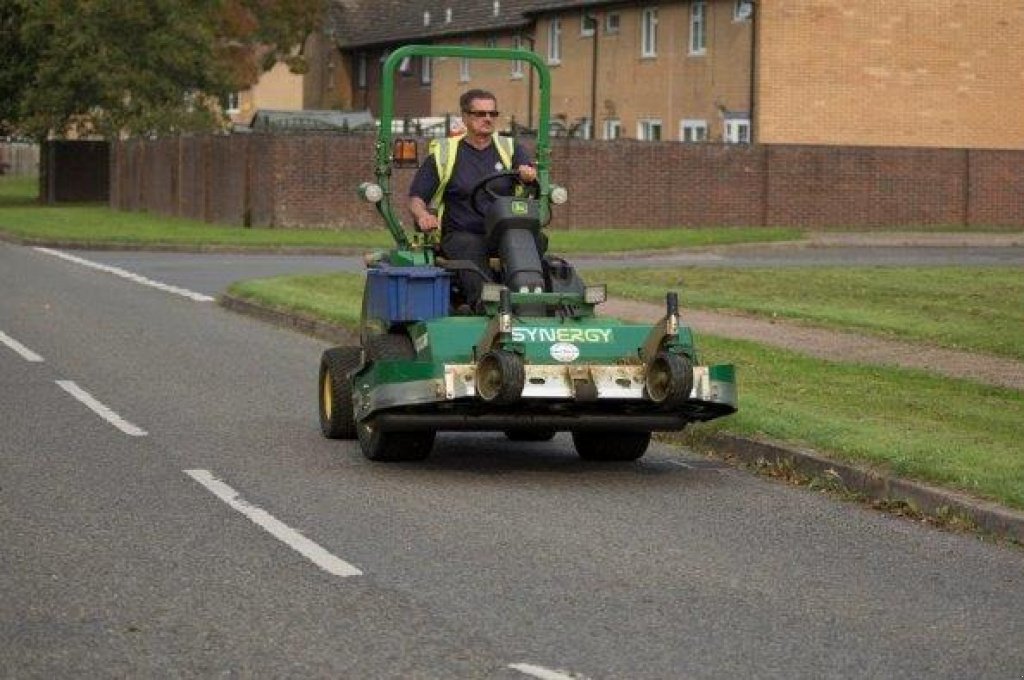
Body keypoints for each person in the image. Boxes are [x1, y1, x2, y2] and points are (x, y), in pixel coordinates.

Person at [408, 89, 538, 312]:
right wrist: (423, 216)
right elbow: (417, 198)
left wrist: (529, 176)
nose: (487, 118)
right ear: (465, 117)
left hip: (504, 231)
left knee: (536, 241)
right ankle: (487, 305)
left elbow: (530, 176)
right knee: (470, 246)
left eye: (492, 113)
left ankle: (535, 300)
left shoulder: (511, 149)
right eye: (480, 114)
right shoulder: (445, 154)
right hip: (461, 232)